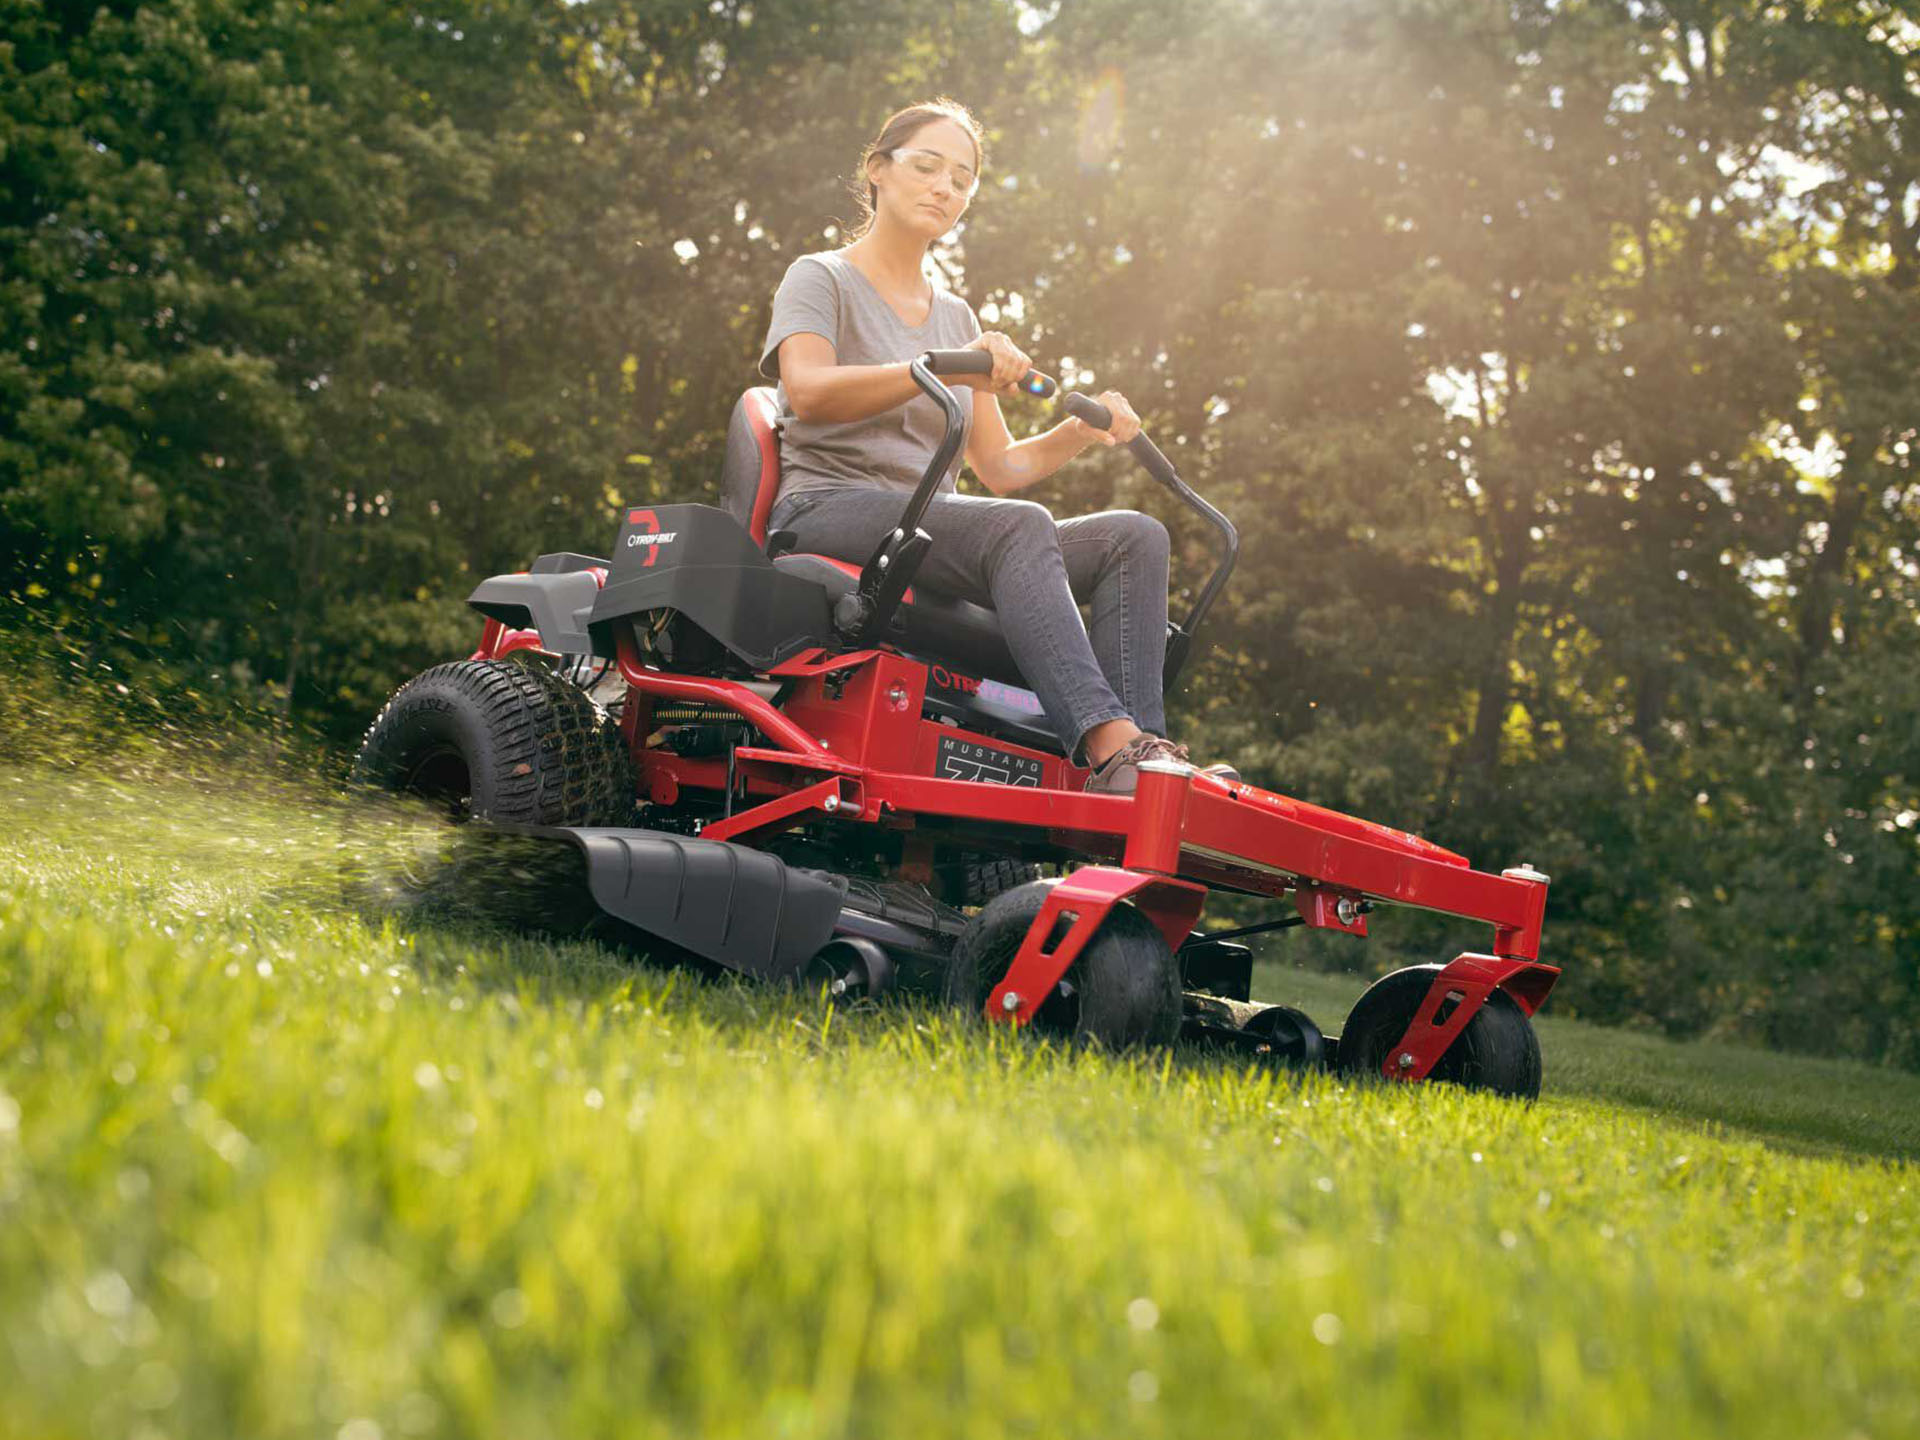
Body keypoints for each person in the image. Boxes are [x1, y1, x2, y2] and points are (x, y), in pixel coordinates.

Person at [759, 98, 1236, 795]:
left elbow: (1000, 467)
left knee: (1134, 536)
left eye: (961, 179)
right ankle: (1109, 746)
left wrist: (1081, 429)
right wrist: (945, 365)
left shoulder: (956, 314)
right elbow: (807, 391)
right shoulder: (821, 276)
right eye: (927, 167)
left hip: (922, 525)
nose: (944, 188)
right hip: (823, 504)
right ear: (877, 171)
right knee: (1018, 529)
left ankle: (1144, 756)